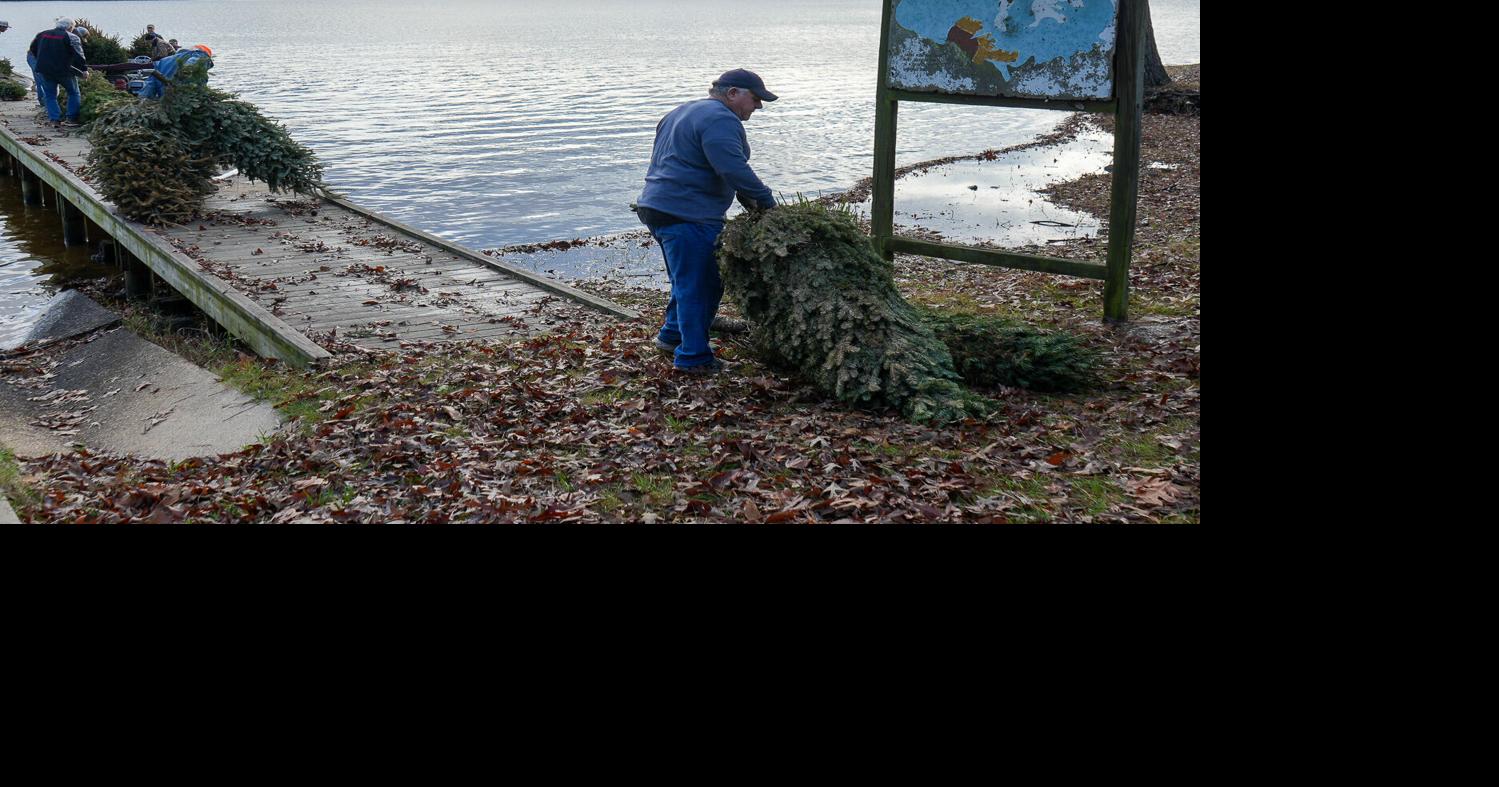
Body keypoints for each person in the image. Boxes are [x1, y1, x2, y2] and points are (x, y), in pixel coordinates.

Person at [635, 68, 777, 375]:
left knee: (691, 280)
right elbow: (732, 169)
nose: (758, 107)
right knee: (699, 285)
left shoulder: (682, 111)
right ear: (733, 93)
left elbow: (694, 162)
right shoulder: (720, 119)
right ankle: (694, 358)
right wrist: (767, 202)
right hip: (688, 213)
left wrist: (743, 197)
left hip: (657, 207)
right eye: (755, 99)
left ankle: (672, 335)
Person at [28, 18, 87, 128]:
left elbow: (33, 48)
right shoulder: (72, 37)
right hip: (64, 70)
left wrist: (41, 59)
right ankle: (71, 119)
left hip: (45, 70)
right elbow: (79, 55)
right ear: (70, 27)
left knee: (50, 95)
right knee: (73, 93)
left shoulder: (42, 34)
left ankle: (54, 120)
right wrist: (84, 69)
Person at [140, 45, 214, 100]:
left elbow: (149, 86)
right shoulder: (201, 55)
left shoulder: (162, 61)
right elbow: (193, 63)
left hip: (166, 102)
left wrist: (143, 100)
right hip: (186, 102)